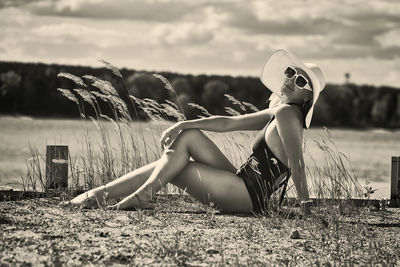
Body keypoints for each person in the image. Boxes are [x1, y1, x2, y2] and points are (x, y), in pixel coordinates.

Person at [63, 49, 325, 216]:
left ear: (307, 96)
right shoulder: (282, 112)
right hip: (242, 184)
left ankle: (121, 195)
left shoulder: (288, 114)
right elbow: (228, 123)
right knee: (186, 141)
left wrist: (305, 208)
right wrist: (183, 124)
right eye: (291, 73)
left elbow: (297, 164)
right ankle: (101, 194)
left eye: (300, 81)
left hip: (248, 196)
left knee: (175, 167)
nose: (290, 80)